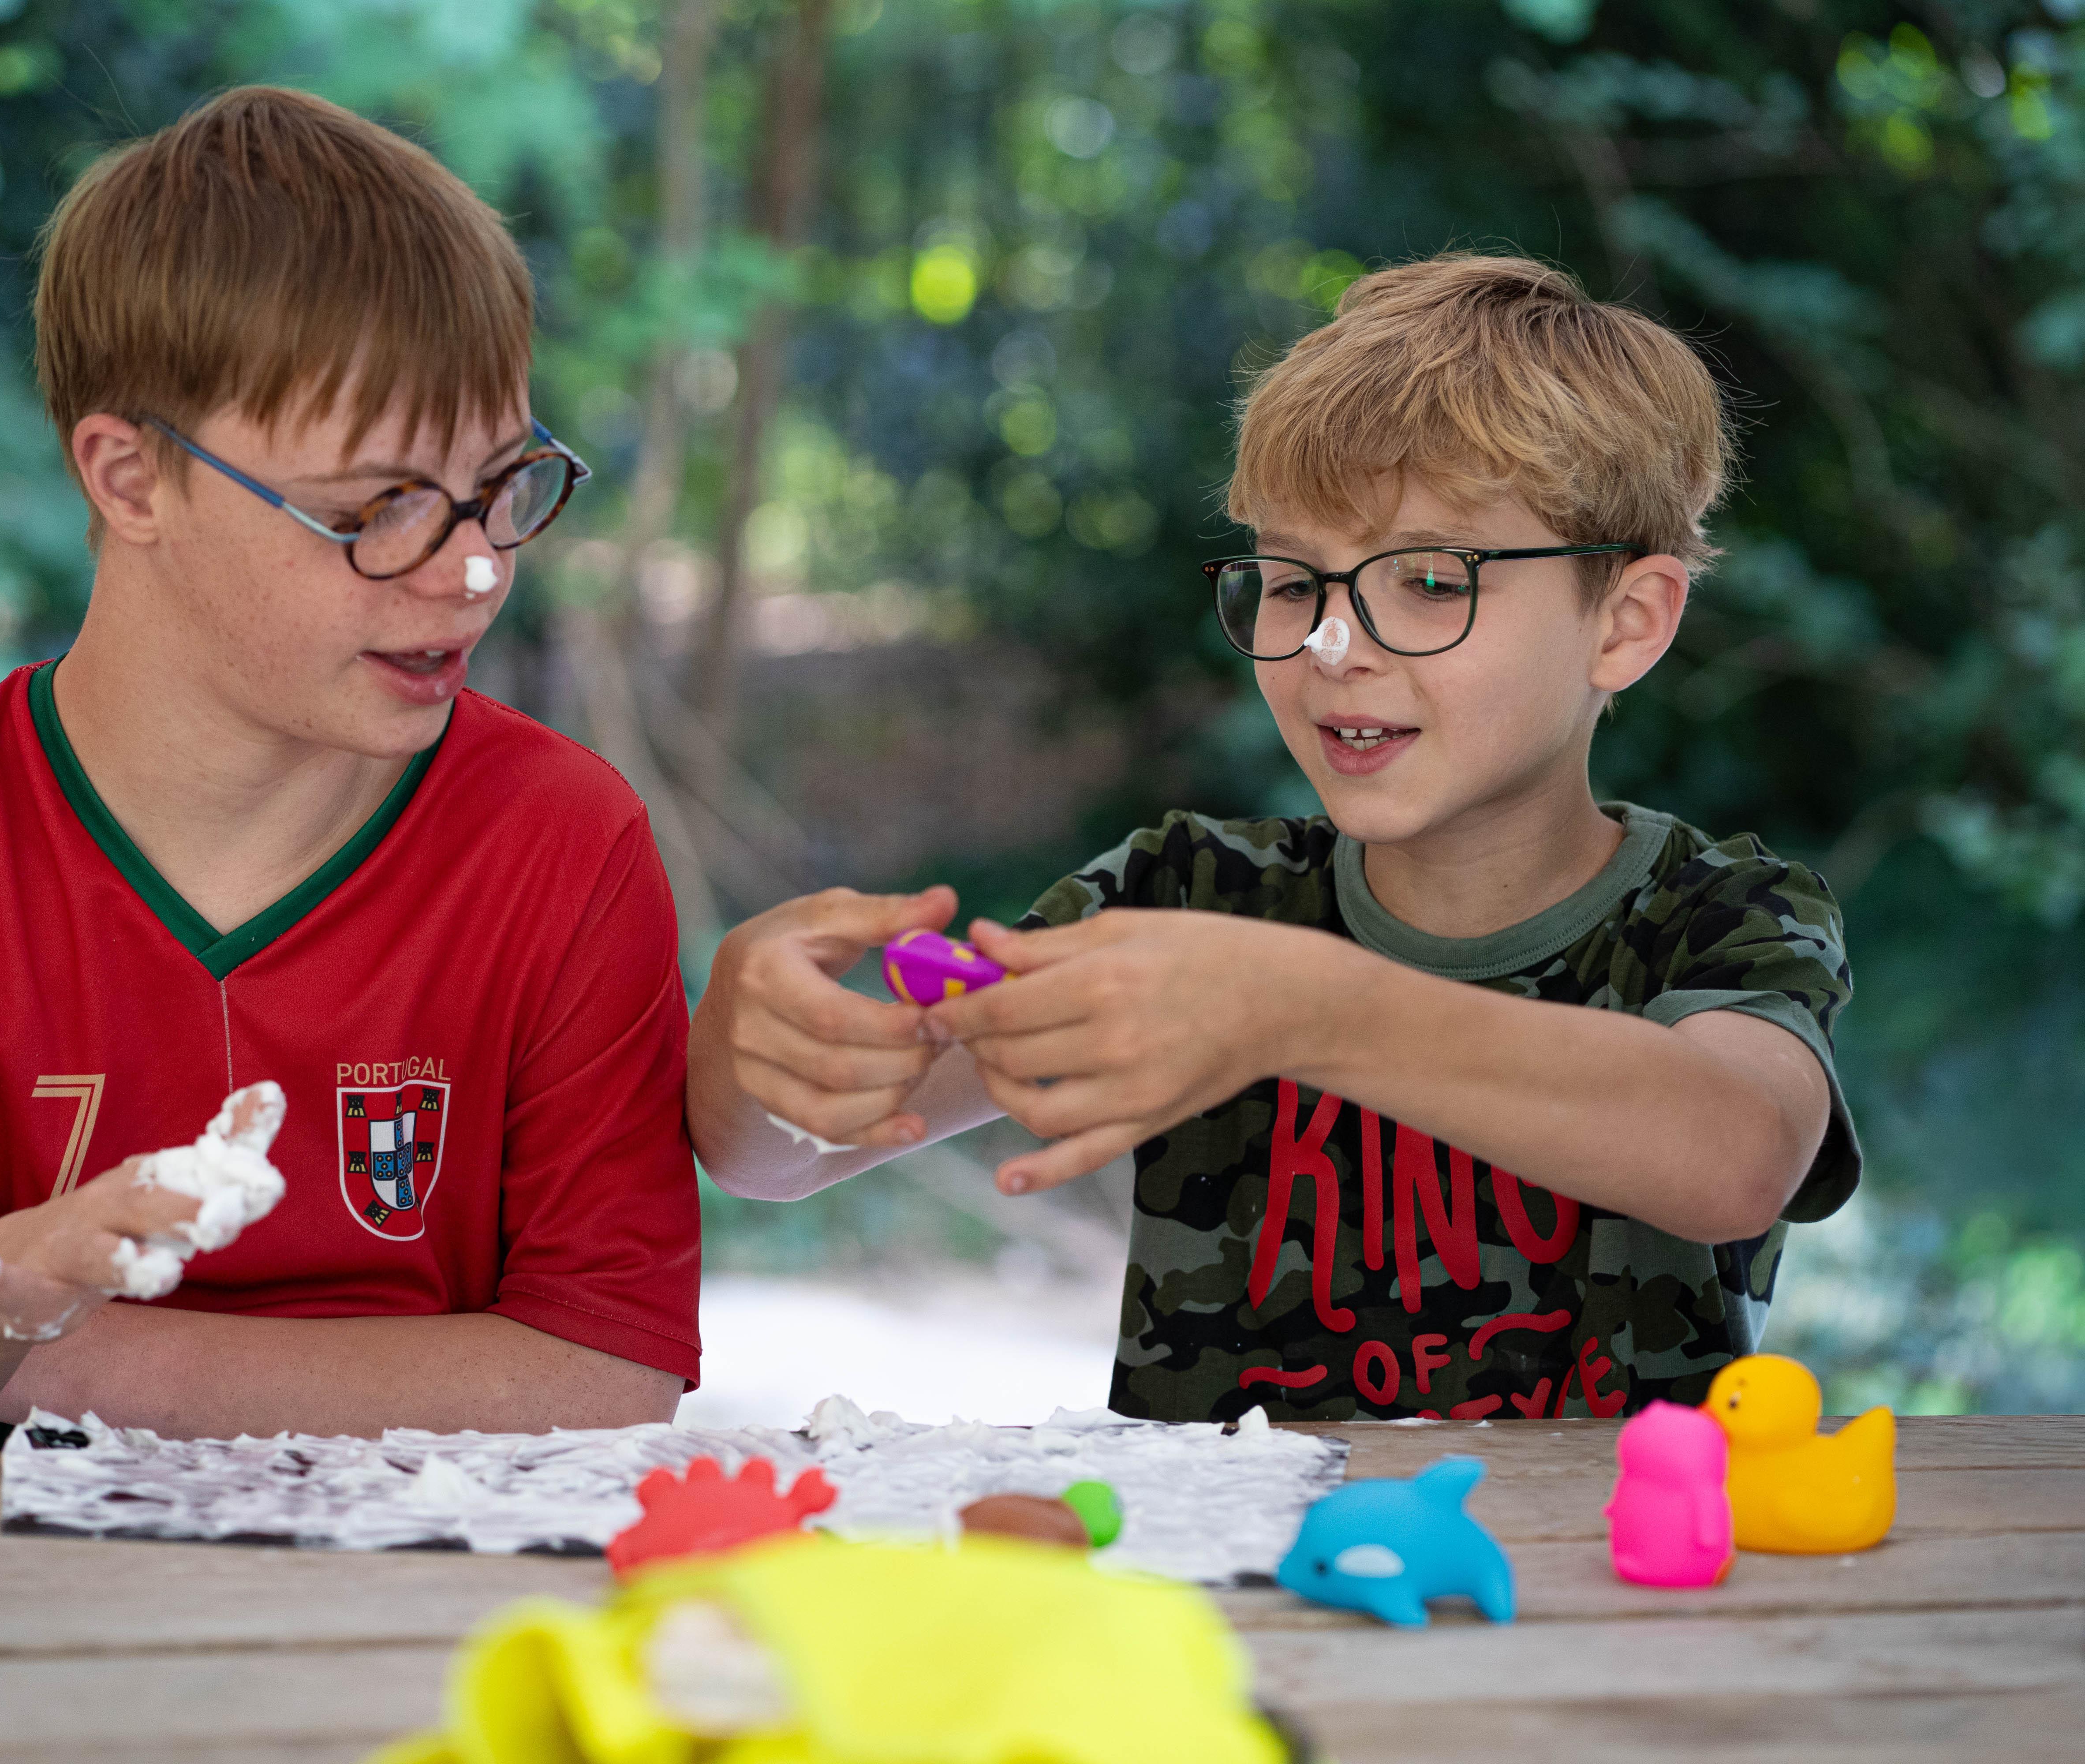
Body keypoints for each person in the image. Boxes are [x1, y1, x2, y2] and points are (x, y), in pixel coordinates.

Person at [0, 87, 700, 1456]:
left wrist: (18, 1314)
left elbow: (602, 1388)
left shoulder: (565, 842)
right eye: (377, 508)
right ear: (129, 480)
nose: (474, 571)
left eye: (501, 486)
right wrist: (0, 1290)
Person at [692, 255, 1857, 1424]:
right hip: (1226, 1550)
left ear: (1627, 623)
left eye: (1428, 580)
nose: (1333, 646)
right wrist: (761, 1047)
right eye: (1294, 583)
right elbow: (781, 1157)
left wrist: (1296, 1009)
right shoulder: (1186, 898)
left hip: (1610, 1546)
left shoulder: (1724, 915)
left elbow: (1738, 1157)